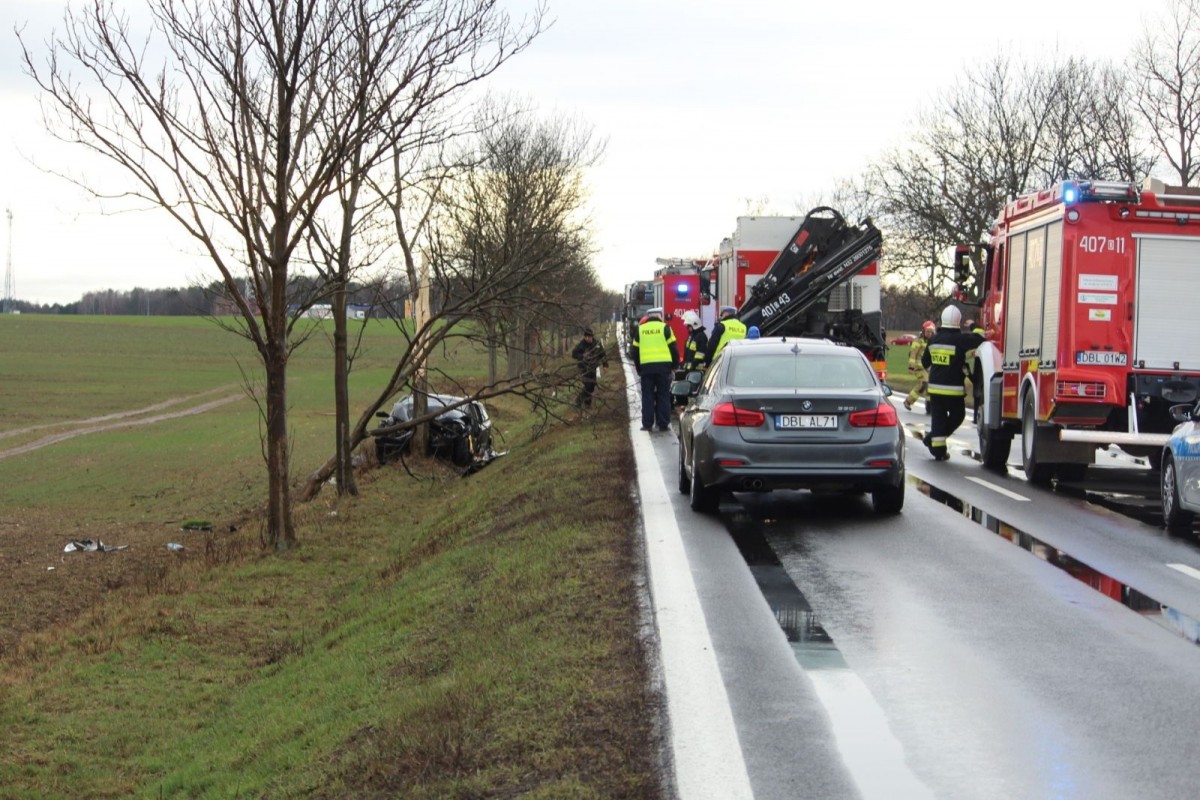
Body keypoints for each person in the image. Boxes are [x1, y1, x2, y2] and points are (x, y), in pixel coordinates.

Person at [921, 305, 985, 461]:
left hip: (935, 389)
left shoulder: (934, 339)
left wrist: (937, 372)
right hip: (953, 391)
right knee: (958, 416)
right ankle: (931, 439)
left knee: (938, 419)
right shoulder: (960, 339)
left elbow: (925, 362)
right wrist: (972, 326)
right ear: (958, 321)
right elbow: (981, 337)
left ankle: (939, 451)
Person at [633, 307, 679, 432]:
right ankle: (663, 424)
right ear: (659, 316)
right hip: (664, 368)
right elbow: (673, 348)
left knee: (647, 396)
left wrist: (638, 368)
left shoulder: (640, 330)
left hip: (646, 369)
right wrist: (675, 365)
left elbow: (635, 352)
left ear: (648, 317)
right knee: (663, 395)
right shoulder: (665, 328)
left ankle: (647, 424)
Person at [903, 321, 937, 412]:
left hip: (929, 368)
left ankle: (930, 407)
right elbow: (913, 354)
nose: (929, 334)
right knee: (924, 384)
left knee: (931, 386)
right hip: (919, 368)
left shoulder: (934, 341)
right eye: (927, 331)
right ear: (923, 331)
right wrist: (911, 366)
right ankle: (908, 401)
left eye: (931, 332)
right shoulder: (918, 341)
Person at [571, 327, 608, 409]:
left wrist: (605, 365)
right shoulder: (581, 345)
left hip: (593, 368)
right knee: (587, 385)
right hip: (583, 368)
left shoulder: (597, 344)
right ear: (584, 337)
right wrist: (582, 356)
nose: (588, 338)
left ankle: (587, 404)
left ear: (592, 336)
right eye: (587, 337)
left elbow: (603, 354)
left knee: (592, 386)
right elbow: (574, 354)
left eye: (590, 337)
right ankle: (579, 402)